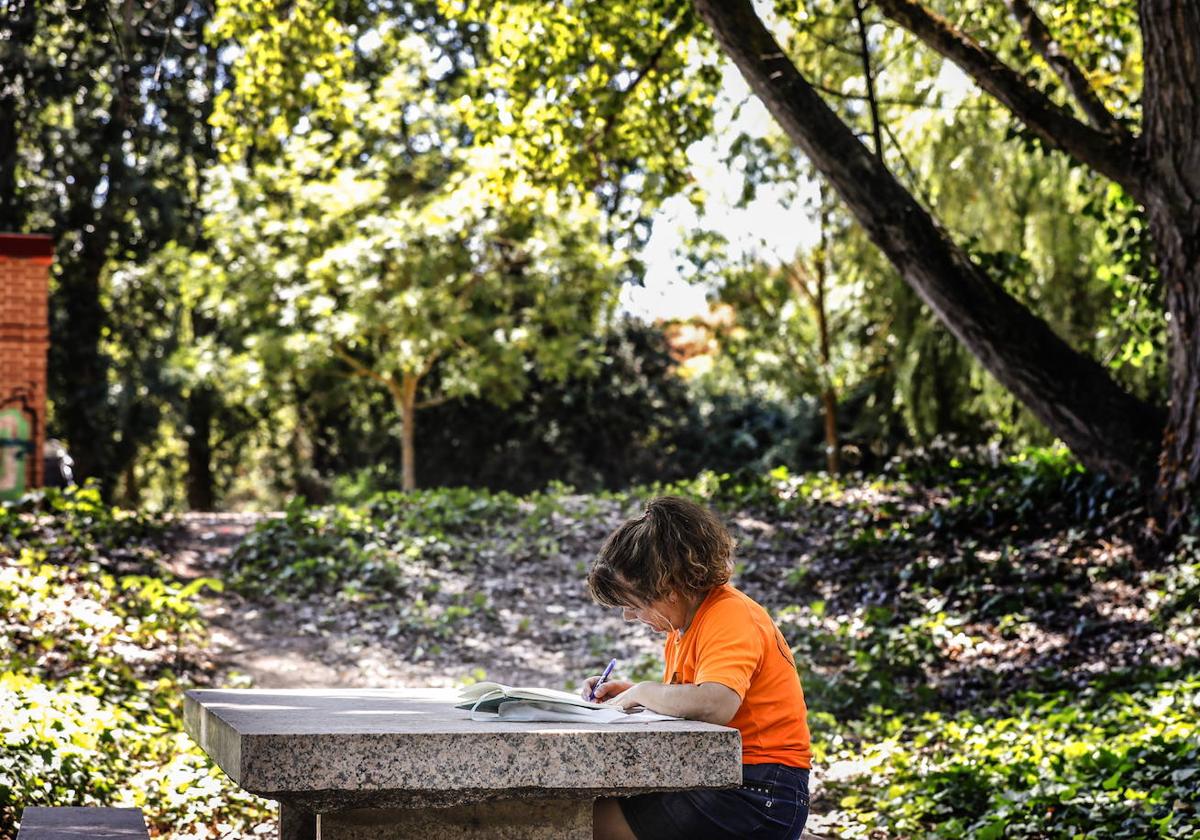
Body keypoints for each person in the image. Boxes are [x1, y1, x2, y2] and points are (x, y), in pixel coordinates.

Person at [583, 496, 811, 840]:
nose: (629, 616)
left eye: (634, 603)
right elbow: (690, 706)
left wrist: (644, 691)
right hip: (728, 778)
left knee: (586, 822)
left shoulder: (729, 615)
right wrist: (632, 696)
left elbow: (716, 704)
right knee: (585, 810)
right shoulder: (682, 630)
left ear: (668, 588)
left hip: (758, 792)